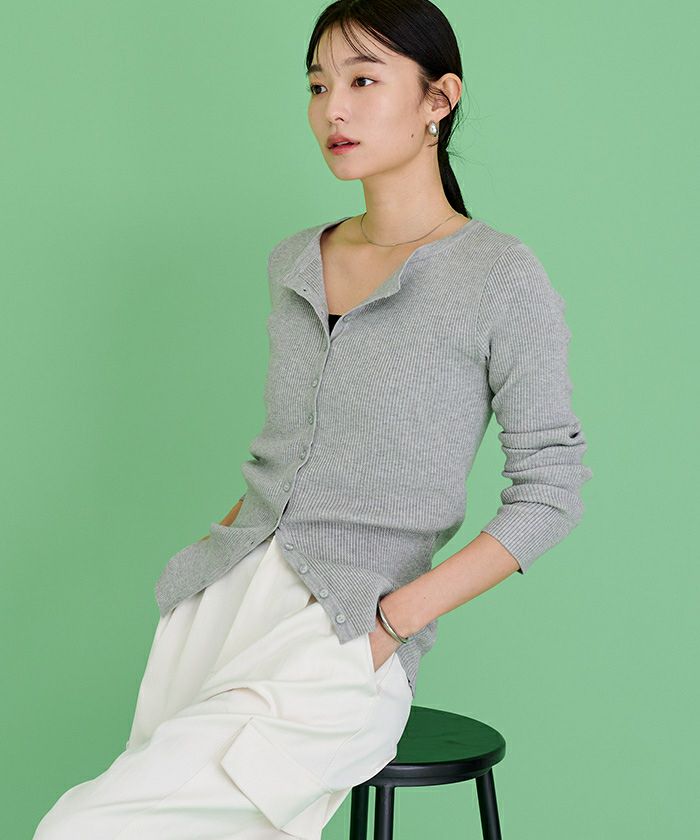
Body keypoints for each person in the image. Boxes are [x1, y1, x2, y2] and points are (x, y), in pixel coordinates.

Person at [33, 1, 593, 838]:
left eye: (364, 81)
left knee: (84, 826)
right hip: (218, 608)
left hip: (345, 629)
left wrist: (393, 624)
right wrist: (212, 560)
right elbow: (291, 450)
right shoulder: (296, 259)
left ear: (438, 100)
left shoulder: (498, 275)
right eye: (318, 85)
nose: (334, 108)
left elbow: (551, 492)